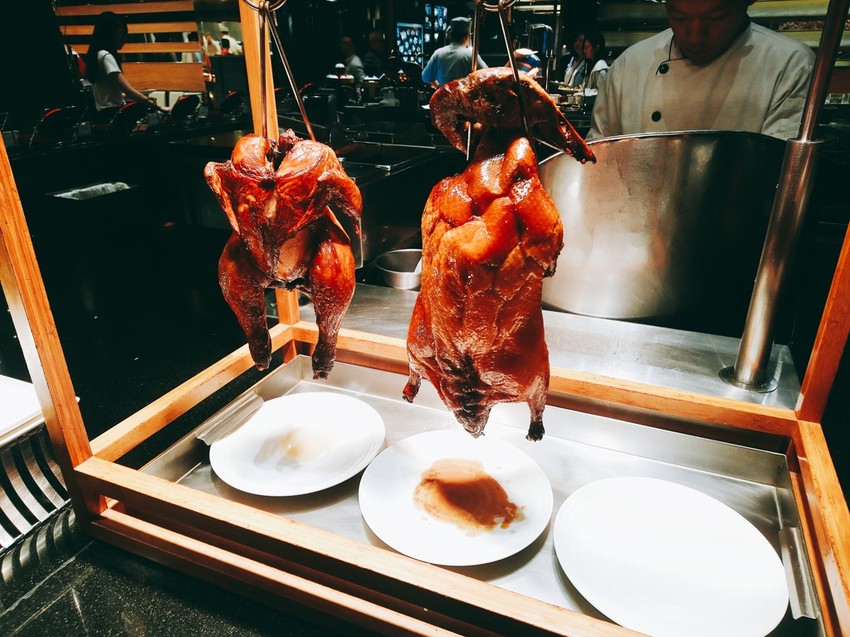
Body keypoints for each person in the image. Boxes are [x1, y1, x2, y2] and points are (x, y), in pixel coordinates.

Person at [587, 0, 815, 141]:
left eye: (716, 17)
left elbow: (776, 174)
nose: (695, 35)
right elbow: (597, 161)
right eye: (680, 18)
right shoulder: (629, 66)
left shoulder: (790, 64)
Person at [83, 12, 165, 115]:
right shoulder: (106, 56)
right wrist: (159, 107)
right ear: (109, 33)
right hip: (112, 112)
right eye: (121, 33)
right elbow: (128, 91)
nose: (124, 38)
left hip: (103, 112)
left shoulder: (97, 54)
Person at [421, 17, 488, 87]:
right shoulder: (470, 55)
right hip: (464, 93)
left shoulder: (438, 53)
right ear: (468, 36)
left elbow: (425, 77)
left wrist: (437, 83)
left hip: (444, 93)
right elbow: (486, 75)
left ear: (450, 36)